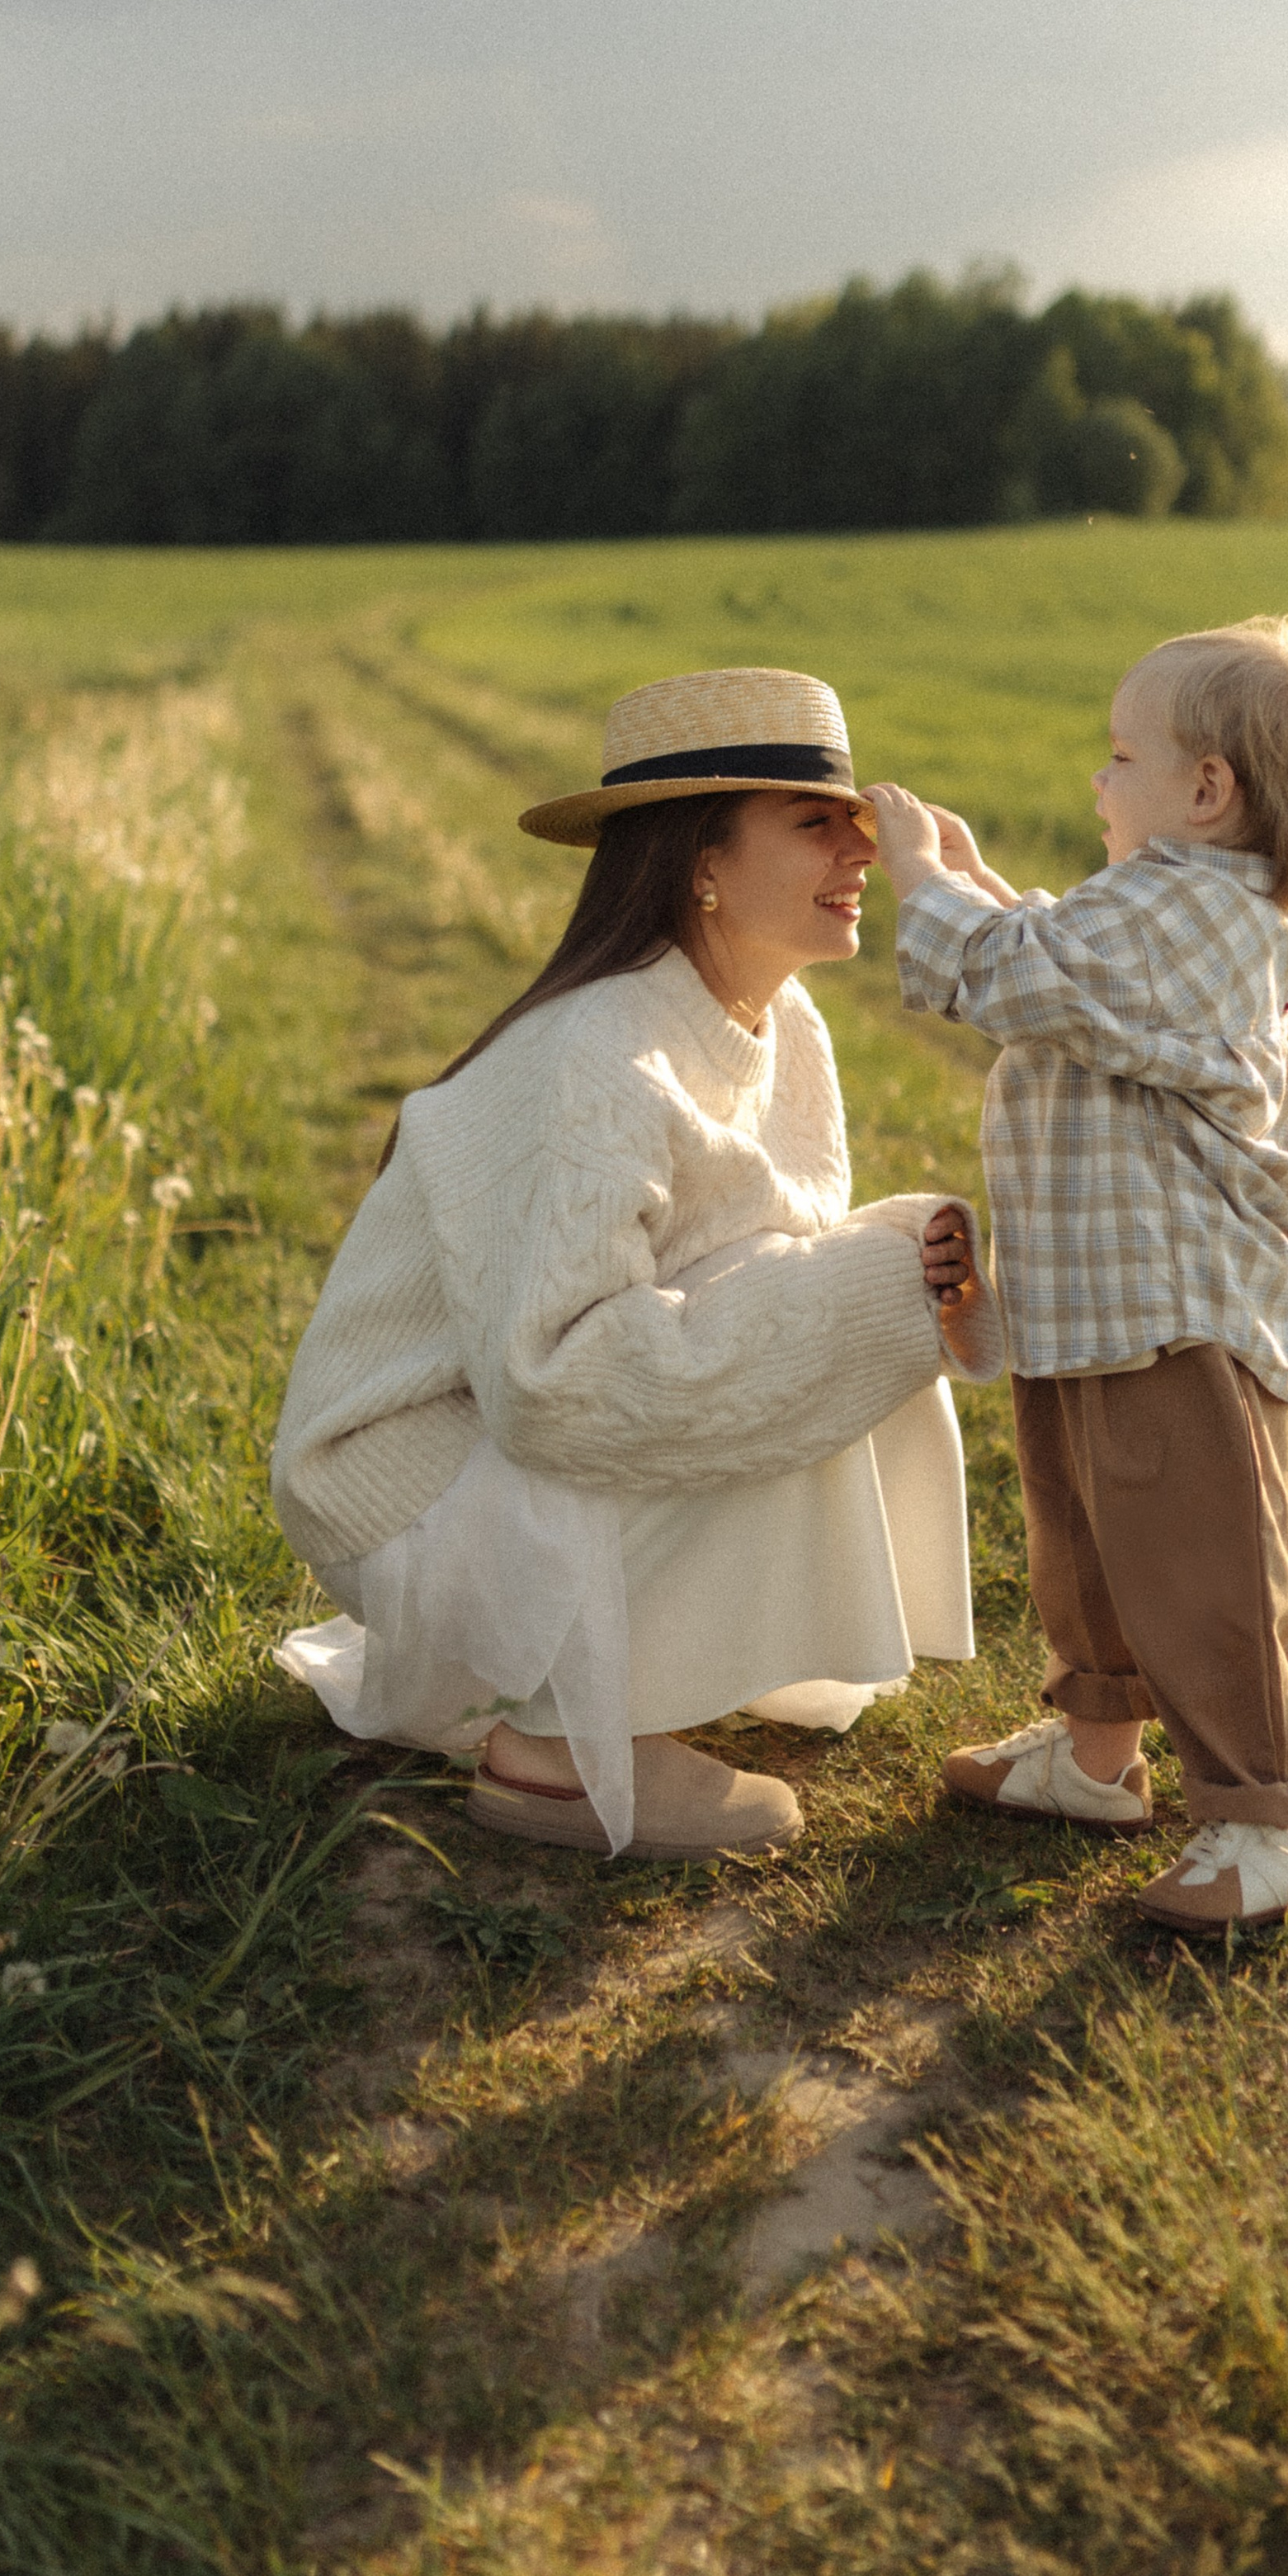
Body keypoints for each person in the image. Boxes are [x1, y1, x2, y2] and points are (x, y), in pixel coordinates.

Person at [272, 667, 1002, 1863]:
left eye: (858, 822)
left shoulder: (786, 1026)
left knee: (846, 1281)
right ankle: (556, 1753)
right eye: (816, 823)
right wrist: (869, 1294)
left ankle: (671, 1656)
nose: (861, 853)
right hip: (410, 1493)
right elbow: (554, 1383)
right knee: (845, 1298)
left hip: (508, 1453)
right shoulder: (598, 1051)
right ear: (699, 864)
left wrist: (879, 1268)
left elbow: (754, 1264)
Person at [863, 617, 1288, 1932]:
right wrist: (989, 897)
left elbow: (1029, 979)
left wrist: (927, 886)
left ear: (1208, 790)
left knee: (1202, 1572)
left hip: (1179, 1319)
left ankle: (1275, 1817)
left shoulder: (1201, 907)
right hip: (1098, 1304)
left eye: (1120, 757)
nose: (1097, 784)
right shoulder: (1167, 910)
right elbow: (1071, 975)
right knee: (1087, 1548)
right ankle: (1098, 1757)